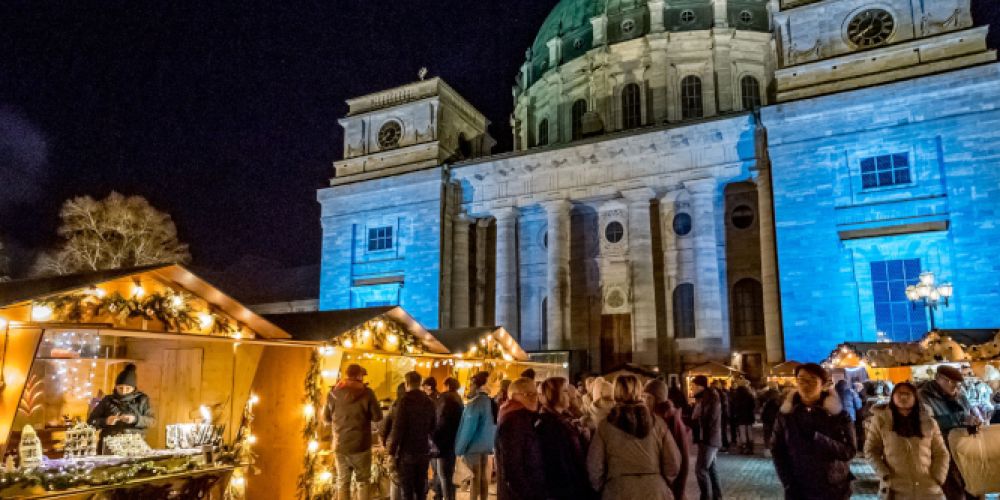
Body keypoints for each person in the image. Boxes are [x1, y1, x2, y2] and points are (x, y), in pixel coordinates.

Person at [771, 363, 856, 500]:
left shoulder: (838, 415)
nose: (805, 384)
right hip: (798, 488)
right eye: (801, 379)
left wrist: (819, 439)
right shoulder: (786, 415)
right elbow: (777, 450)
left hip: (833, 488)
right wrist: (787, 481)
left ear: (822, 384)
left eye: (812, 379)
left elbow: (849, 451)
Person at [587, 375, 680, 500]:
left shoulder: (605, 426)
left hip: (618, 490)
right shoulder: (658, 424)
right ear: (639, 392)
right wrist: (663, 481)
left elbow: (594, 465)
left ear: (615, 392)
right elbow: (673, 461)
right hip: (654, 490)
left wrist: (603, 487)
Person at [865, 382, 949, 499]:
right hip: (895, 488)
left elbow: (941, 452)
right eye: (899, 394)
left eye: (908, 394)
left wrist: (938, 477)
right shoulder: (881, 421)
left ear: (915, 397)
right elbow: (871, 451)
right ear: (892, 396)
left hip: (928, 488)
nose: (903, 397)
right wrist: (884, 474)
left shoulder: (928, 422)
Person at [918, 365, 981, 500]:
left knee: (974, 489)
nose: (953, 385)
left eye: (956, 383)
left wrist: (974, 422)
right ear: (937, 379)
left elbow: (968, 414)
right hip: (941, 453)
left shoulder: (960, 396)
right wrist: (960, 419)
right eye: (949, 381)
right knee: (952, 493)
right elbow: (928, 424)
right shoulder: (923, 397)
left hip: (965, 451)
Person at [324, 363, 384, 500]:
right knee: (363, 482)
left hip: (341, 445)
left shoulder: (333, 393)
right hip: (361, 445)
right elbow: (378, 416)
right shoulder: (367, 393)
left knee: (343, 482)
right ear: (358, 375)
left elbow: (326, 419)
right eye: (362, 375)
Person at [536, 377, 595, 500]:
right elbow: (559, 462)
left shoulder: (564, 419)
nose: (570, 395)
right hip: (564, 490)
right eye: (564, 391)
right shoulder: (549, 424)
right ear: (553, 394)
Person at [387, 371, 437, 500]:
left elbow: (398, 429)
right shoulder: (429, 401)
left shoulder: (404, 401)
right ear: (420, 383)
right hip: (423, 451)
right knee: (420, 489)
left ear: (406, 383)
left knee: (407, 491)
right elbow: (433, 426)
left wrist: (391, 452)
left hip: (407, 452)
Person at [495, 377, 546, 500]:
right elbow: (513, 467)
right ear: (513, 396)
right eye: (527, 394)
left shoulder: (527, 417)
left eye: (535, 393)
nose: (534, 398)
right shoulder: (514, 421)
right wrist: (528, 494)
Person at [88, 364, 155, 451]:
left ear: (134, 388)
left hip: (134, 445)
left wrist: (135, 419)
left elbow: (152, 421)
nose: (123, 391)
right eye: (120, 388)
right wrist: (105, 421)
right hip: (109, 445)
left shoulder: (142, 400)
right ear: (116, 387)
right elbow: (90, 422)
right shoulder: (107, 400)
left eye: (128, 388)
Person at [644, 378, 691, 500]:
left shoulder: (669, 420)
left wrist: (678, 490)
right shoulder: (658, 417)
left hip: (669, 485)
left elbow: (682, 459)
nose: (644, 401)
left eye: (647, 397)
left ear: (655, 398)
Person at [454, 371, 496, 500]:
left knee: (474, 477)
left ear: (476, 385)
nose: (469, 388)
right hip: (486, 445)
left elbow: (468, 428)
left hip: (473, 446)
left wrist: (459, 449)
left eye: (471, 385)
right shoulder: (490, 402)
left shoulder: (475, 404)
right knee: (483, 475)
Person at [691, 375, 723, 500]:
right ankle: (717, 496)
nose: (692, 389)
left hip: (708, 439)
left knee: (700, 470)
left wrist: (696, 419)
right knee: (711, 469)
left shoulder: (711, 398)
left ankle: (706, 497)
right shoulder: (704, 398)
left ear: (700, 386)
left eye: (693, 386)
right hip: (708, 438)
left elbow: (709, 418)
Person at [431, 377, 463, 500]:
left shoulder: (445, 399)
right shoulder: (458, 398)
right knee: (449, 475)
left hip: (443, 443)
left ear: (447, 385)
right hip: (454, 441)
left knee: (444, 475)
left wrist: (434, 437)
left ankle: (447, 497)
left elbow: (440, 422)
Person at [731, 382, 756, 454]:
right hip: (749, 417)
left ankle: (744, 447)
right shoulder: (750, 396)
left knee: (742, 432)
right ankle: (750, 447)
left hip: (740, 417)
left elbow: (734, 407)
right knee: (749, 432)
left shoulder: (736, 397)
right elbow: (753, 406)